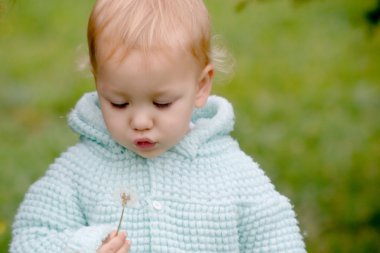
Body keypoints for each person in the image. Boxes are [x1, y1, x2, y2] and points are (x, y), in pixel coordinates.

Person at [10, 0, 306, 252]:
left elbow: (280, 243)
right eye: (118, 103)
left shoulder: (234, 176)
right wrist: (84, 245)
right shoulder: (78, 172)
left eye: (162, 104)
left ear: (201, 86)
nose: (140, 122)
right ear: (98, 82)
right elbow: (29, 239)